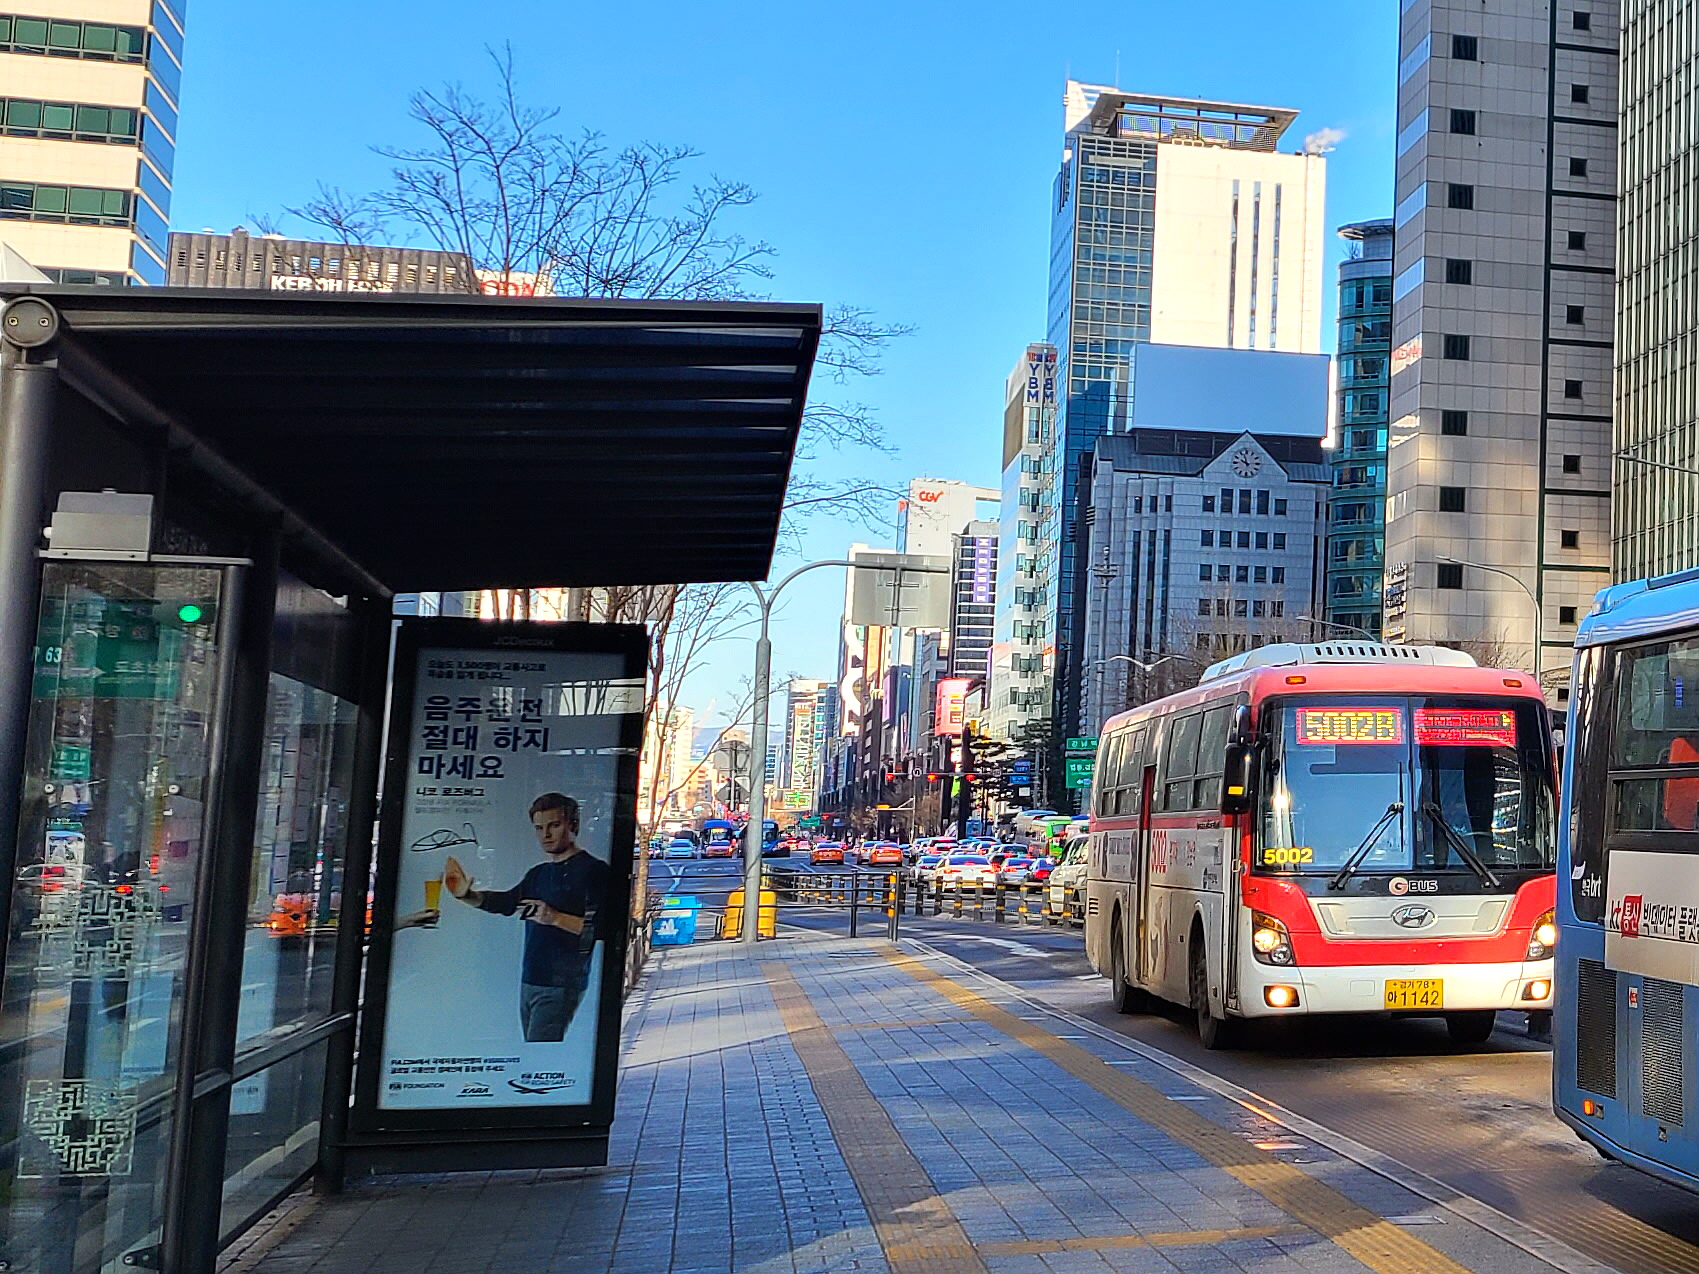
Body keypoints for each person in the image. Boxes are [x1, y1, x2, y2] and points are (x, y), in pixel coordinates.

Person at [444, 793, 608, 1042]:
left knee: (540, 1050)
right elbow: (508, 902)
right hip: (531, 980)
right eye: (539, 828)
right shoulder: (538, 873)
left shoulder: (594, 870)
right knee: (533, 1048)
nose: (546, 834)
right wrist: (468, 895)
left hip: (561, 984)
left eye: (554, 825)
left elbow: (603, 928)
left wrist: (554, 918)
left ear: (573, 825)